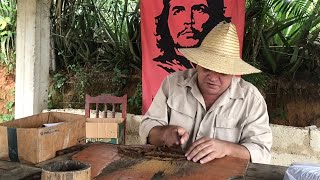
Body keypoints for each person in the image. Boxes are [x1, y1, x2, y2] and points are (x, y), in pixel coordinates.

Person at [140, 22, 273, 164]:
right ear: (197, 64)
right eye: (207, 68)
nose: (213, 78)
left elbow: (261, 151)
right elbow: (148, 127)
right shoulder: (173, 84)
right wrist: (164, 134)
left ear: (234, 73)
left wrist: (226, 149)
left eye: (222, 72)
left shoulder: (251, 99)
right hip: (171, 169)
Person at [153, 0, 231, 73]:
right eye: (178, 11)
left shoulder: (223, 67)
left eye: (199, 10)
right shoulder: (159, 67)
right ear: (165, 20)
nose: (189, 21)